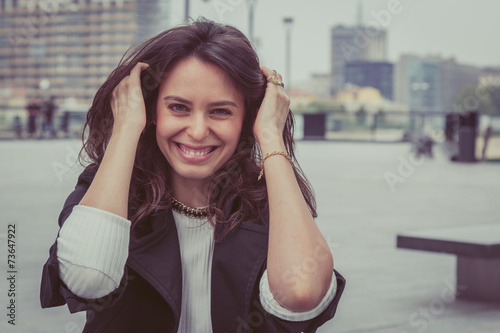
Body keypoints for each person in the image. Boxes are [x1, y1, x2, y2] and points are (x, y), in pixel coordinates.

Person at [40, 19, 345, 332]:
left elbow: (301, 293)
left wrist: (271, 136)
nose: (198, 131)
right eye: (178, 108)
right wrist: (127, 127)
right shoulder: (107, 189)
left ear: (247, 117)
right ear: (152, 110)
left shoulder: (271, 202)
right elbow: (88, 279)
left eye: (220, 111)